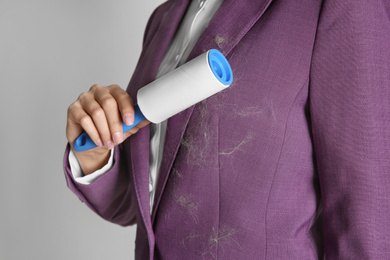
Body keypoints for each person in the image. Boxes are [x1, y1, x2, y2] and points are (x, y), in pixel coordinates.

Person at [63, 0, 390, 259]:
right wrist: (94, 154)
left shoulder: (335, 5)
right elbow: (140, 207)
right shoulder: (164, 19)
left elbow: (368, 215)